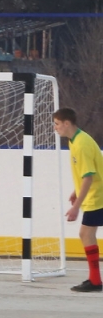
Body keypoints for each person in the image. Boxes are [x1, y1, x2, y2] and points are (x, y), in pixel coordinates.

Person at [53, 108, 103, 292]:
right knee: (86, 234)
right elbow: (87, 172)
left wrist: (75, 206)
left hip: (97, 197)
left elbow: (89, 177)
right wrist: (76, 190)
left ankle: (96, 281)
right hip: (95, 195)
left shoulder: (81, 144)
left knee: (86, 234)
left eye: (57, 124)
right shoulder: (75, 140)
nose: (55, 128)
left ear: (67, 123)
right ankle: (95, 279)